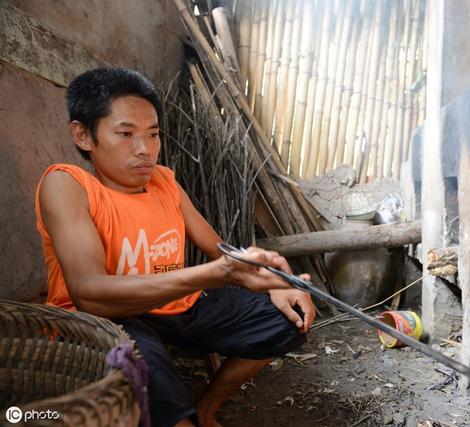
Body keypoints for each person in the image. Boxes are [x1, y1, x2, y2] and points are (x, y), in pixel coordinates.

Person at [34, 67, 316, 427]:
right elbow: (89, 293)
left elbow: (218, 247)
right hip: (106, 318)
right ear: (83, 135)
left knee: (287, 318)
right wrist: (214, 275)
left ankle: (207, 408)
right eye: (126, 133)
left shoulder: (164, 180)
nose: (144, 149)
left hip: (179, 305)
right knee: (149, 378)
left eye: (153, 135)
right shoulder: (67, 185)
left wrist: (275, 279)